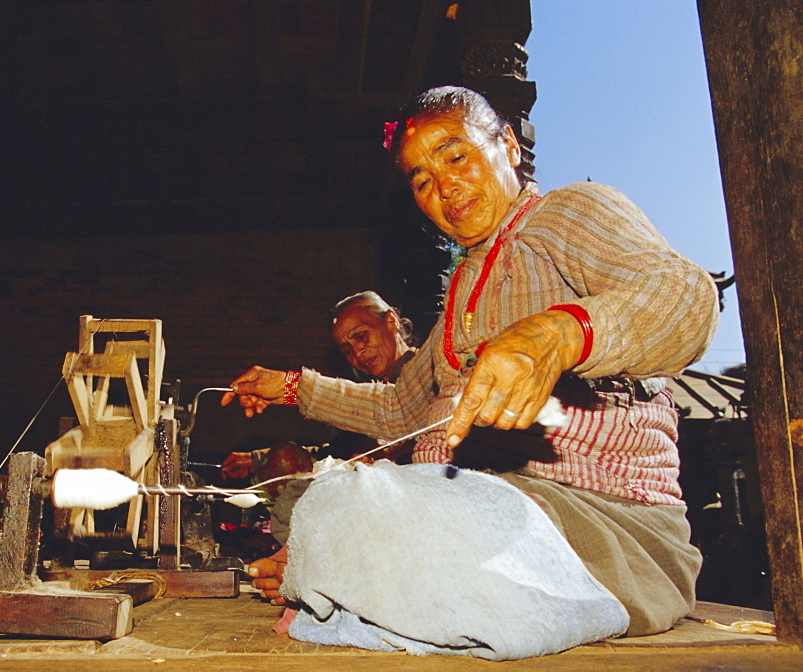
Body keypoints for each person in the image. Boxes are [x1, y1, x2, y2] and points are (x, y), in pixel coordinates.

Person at [223, 85, 719, 636]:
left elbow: (686, 295)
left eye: (456, 156)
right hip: (485, 505)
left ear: (507, 144)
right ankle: (357, 569)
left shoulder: (562, 216)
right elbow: (398, 412)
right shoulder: (463, 292)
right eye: (422, 180)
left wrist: (559, 333)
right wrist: (289, 386)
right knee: (307, 501)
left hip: (606, 526)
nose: (445, 187)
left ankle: (354, 572)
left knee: (391, 517)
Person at [219, 291, 416, 482]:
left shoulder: (429, 374)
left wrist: (290, 386)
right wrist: (259, 460)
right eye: (347, 350)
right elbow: (338, 452)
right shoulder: (370, 393)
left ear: (391, 321)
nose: (357, 352)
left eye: (361, 336)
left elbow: (393, 407)